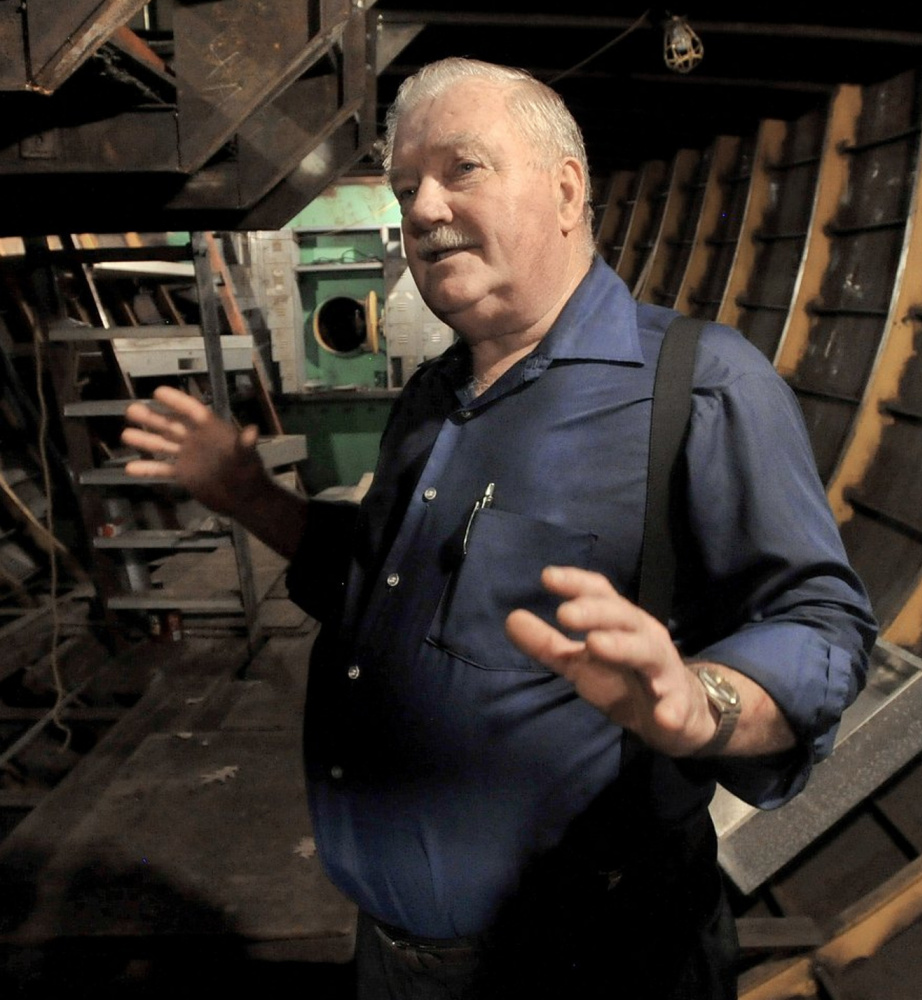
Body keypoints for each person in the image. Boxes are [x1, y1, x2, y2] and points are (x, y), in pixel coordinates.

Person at [123, 58, 876, 1000]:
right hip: (394, 959)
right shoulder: (433, 400)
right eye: (405, 188)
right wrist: (249, 498)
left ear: (566, 191)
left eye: (461, 169)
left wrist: (703, 700)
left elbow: (822, 624)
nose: (423, 209)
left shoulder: (701, 384)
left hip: (594, 967)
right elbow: (373, 588)